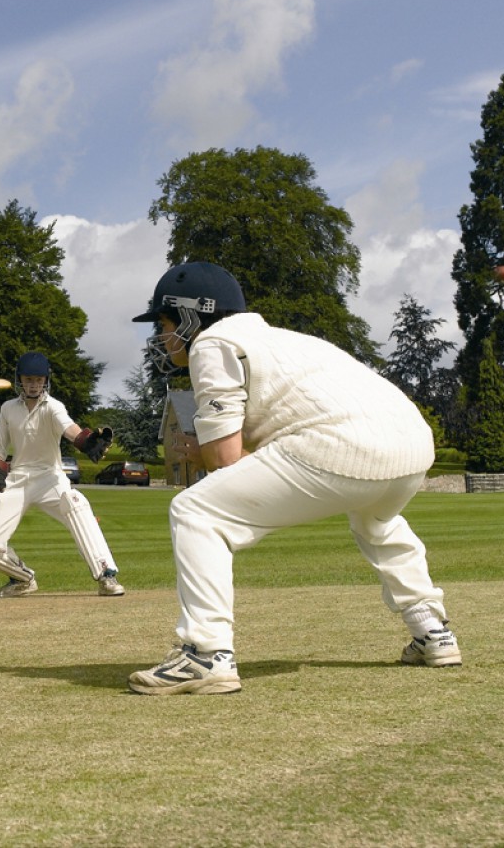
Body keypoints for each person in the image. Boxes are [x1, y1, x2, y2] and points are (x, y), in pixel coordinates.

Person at [126, 262, 461, 695]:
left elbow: (224, 461)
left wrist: (200, 450)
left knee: (195, 510)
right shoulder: (289, 340)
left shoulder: (212, 343)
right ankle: (432, 630)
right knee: (377, 520)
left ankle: (206, 654)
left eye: (165, 323)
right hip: (413, 446)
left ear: (192, 316)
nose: (161, 335)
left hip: (339, 444)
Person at [0, 351, 124, 598]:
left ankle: (106, 575)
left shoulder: (54, 406)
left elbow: (69, 428)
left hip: (50, 478)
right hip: (18, 480)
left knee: (76, 503)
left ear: (46, 381)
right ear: (19, 379)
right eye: (28, 379)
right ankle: (22, 578)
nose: (33, 385)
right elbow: (0, 447)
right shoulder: (8, 409)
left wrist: (86, 440)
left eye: (38, 380)